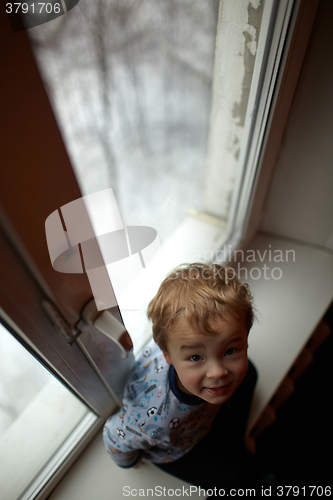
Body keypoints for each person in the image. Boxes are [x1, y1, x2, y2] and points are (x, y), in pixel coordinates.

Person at [103, 263, 259, 488]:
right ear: (168, 355)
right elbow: (113, 437)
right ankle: (238, 455)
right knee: (236, 482)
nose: (218, 372)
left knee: (250, 372)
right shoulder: (152, 421)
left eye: (230, 350)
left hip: (203, 416)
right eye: (196, 358)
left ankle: (235, 449)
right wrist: (131, 462)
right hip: (179, 447)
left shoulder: (185, 344)